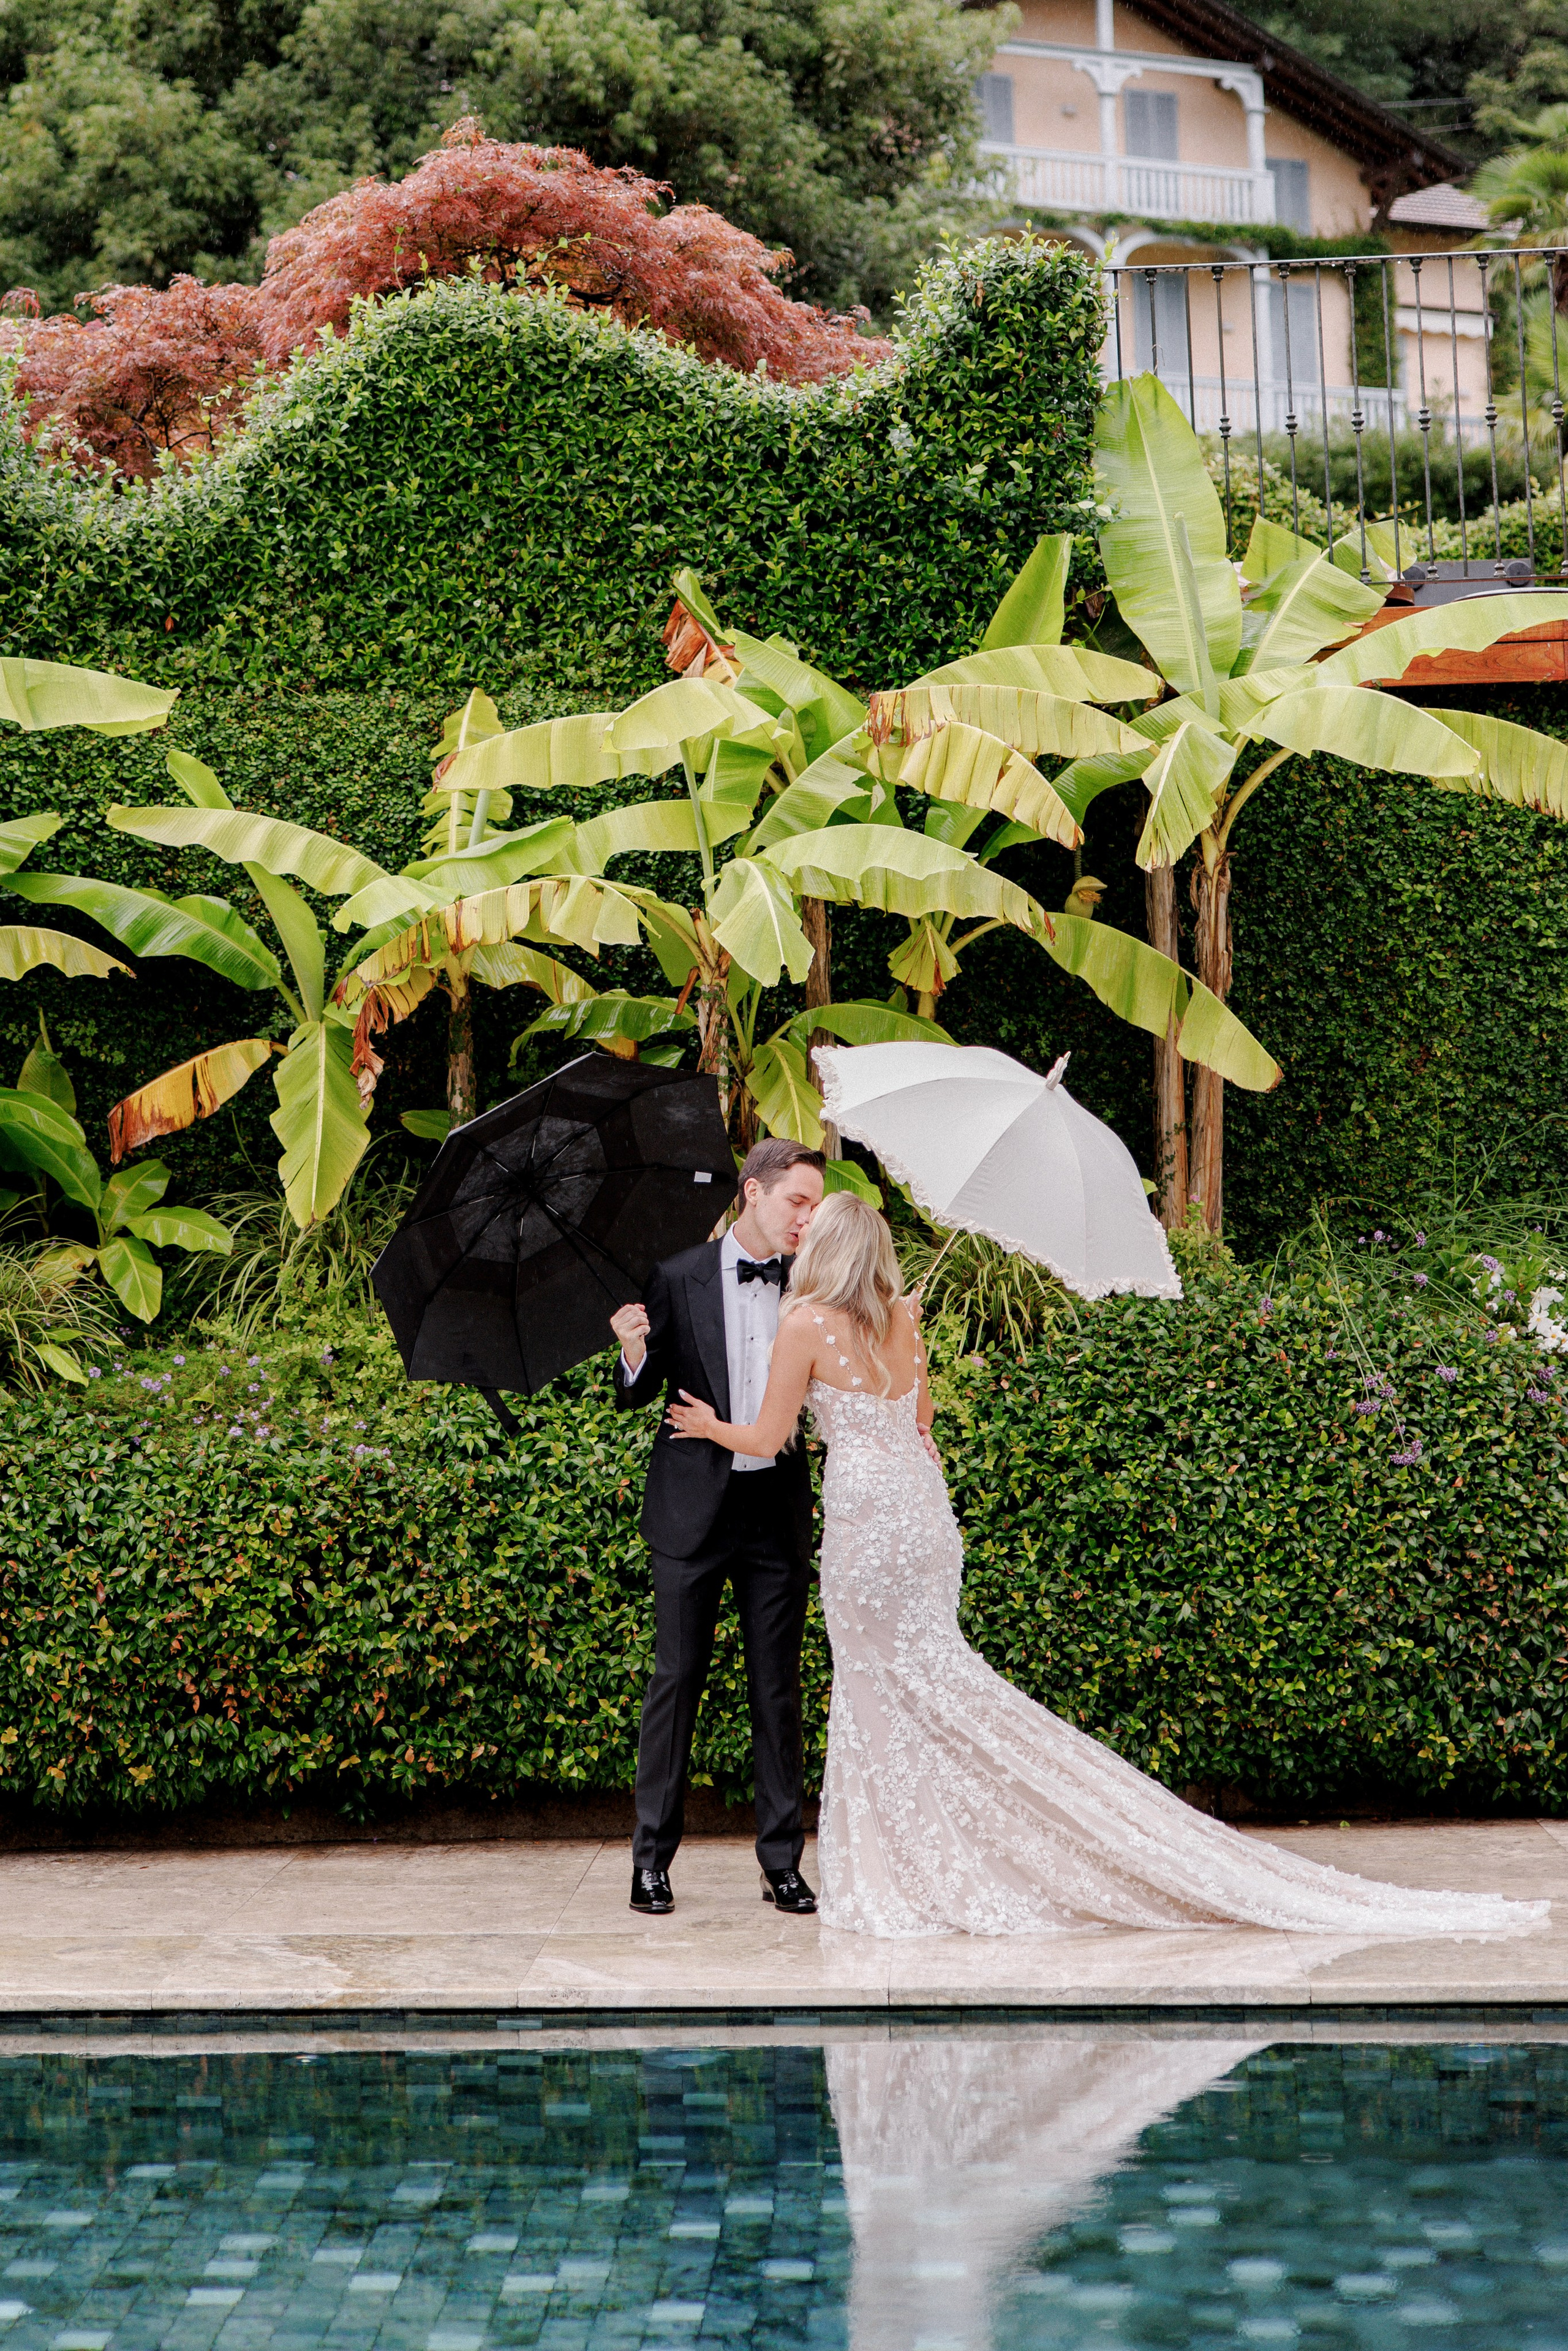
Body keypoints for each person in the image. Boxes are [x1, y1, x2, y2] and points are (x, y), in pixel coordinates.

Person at [666, 1191, 1549, 1940]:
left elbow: (769, 1437)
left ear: (827, 1249)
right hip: (924, 1517)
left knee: (879, 1691)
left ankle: (908, 1868)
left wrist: (708, 1426)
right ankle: (938, 1852)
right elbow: (922, 1419)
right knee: (936, 1676)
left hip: (866, 1525)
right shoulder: (906, 1319)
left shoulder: (803, 1323)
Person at [610, 1136, 826, 1919]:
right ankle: (650, 1863)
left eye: (815, 1206)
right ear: (753, 1192)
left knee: (778, 1690)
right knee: (676, 1683)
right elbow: (636, 1395)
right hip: (690, 1511)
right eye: (797, 1200)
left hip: (776, 1509)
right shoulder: (677, 1275)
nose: (806, 1218)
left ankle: (782, 1863)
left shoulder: (812, 1281)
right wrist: (634, 1350)